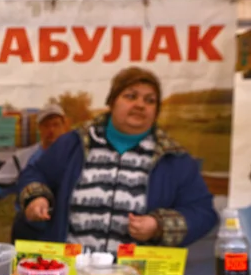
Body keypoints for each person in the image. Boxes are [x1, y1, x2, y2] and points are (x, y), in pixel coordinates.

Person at [18, 66, 217, 254]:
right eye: (131, 96)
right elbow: (36, 173)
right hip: (72, 273)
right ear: (112, 102)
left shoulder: (174, 159)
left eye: (150, 101)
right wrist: (36, 197)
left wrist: (158, 225)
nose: (140, 105)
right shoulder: (74, 143)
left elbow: (203, 212)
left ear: (156, 111)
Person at [0, 105, 67, 234]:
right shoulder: (23, 158)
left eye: (56, 125)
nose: (51, 130)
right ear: (39, 128)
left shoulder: (75, 158)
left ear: (65, 127)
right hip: (30, 229)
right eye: (46, 125)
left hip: (63, 228)